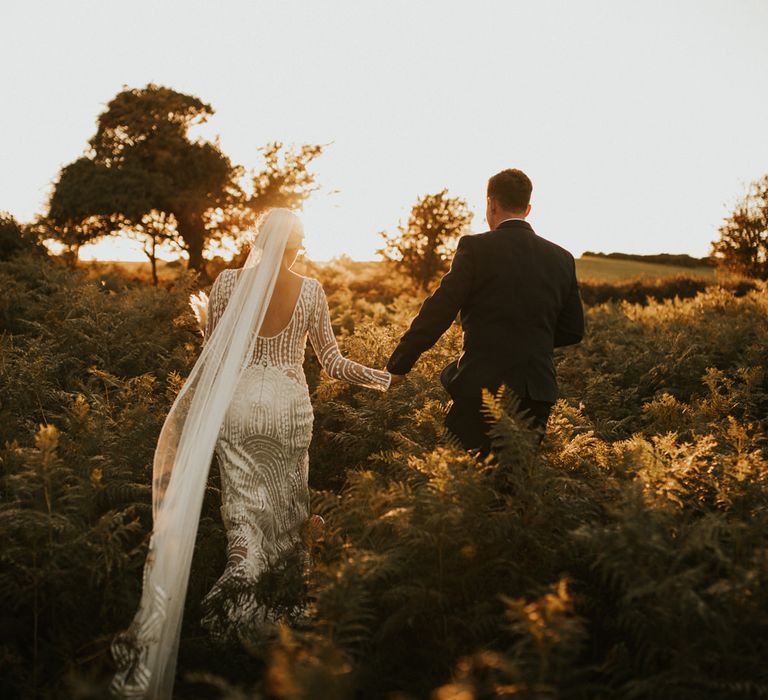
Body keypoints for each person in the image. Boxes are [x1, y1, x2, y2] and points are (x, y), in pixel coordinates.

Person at [110, 209, 391, 699]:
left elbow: (214, 352)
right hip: (287, 409)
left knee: (244, 512)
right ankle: (285, 604)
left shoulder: (225, 284)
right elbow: (332, 363)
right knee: (286, 509)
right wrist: (385, 378)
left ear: (258, 239)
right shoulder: (309, 290)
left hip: (237, 407)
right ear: (295, 245)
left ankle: (239, 590)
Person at [386, 168, 584, 455]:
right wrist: (529, 338)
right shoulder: (562, 258)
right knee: (515, 486)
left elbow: (439, 310)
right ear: (528, 208)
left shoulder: (475, 248)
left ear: (491, 203)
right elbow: (572, 330)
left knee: (466, 482)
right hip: (536, 393)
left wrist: (399, 365)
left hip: (480, 387)